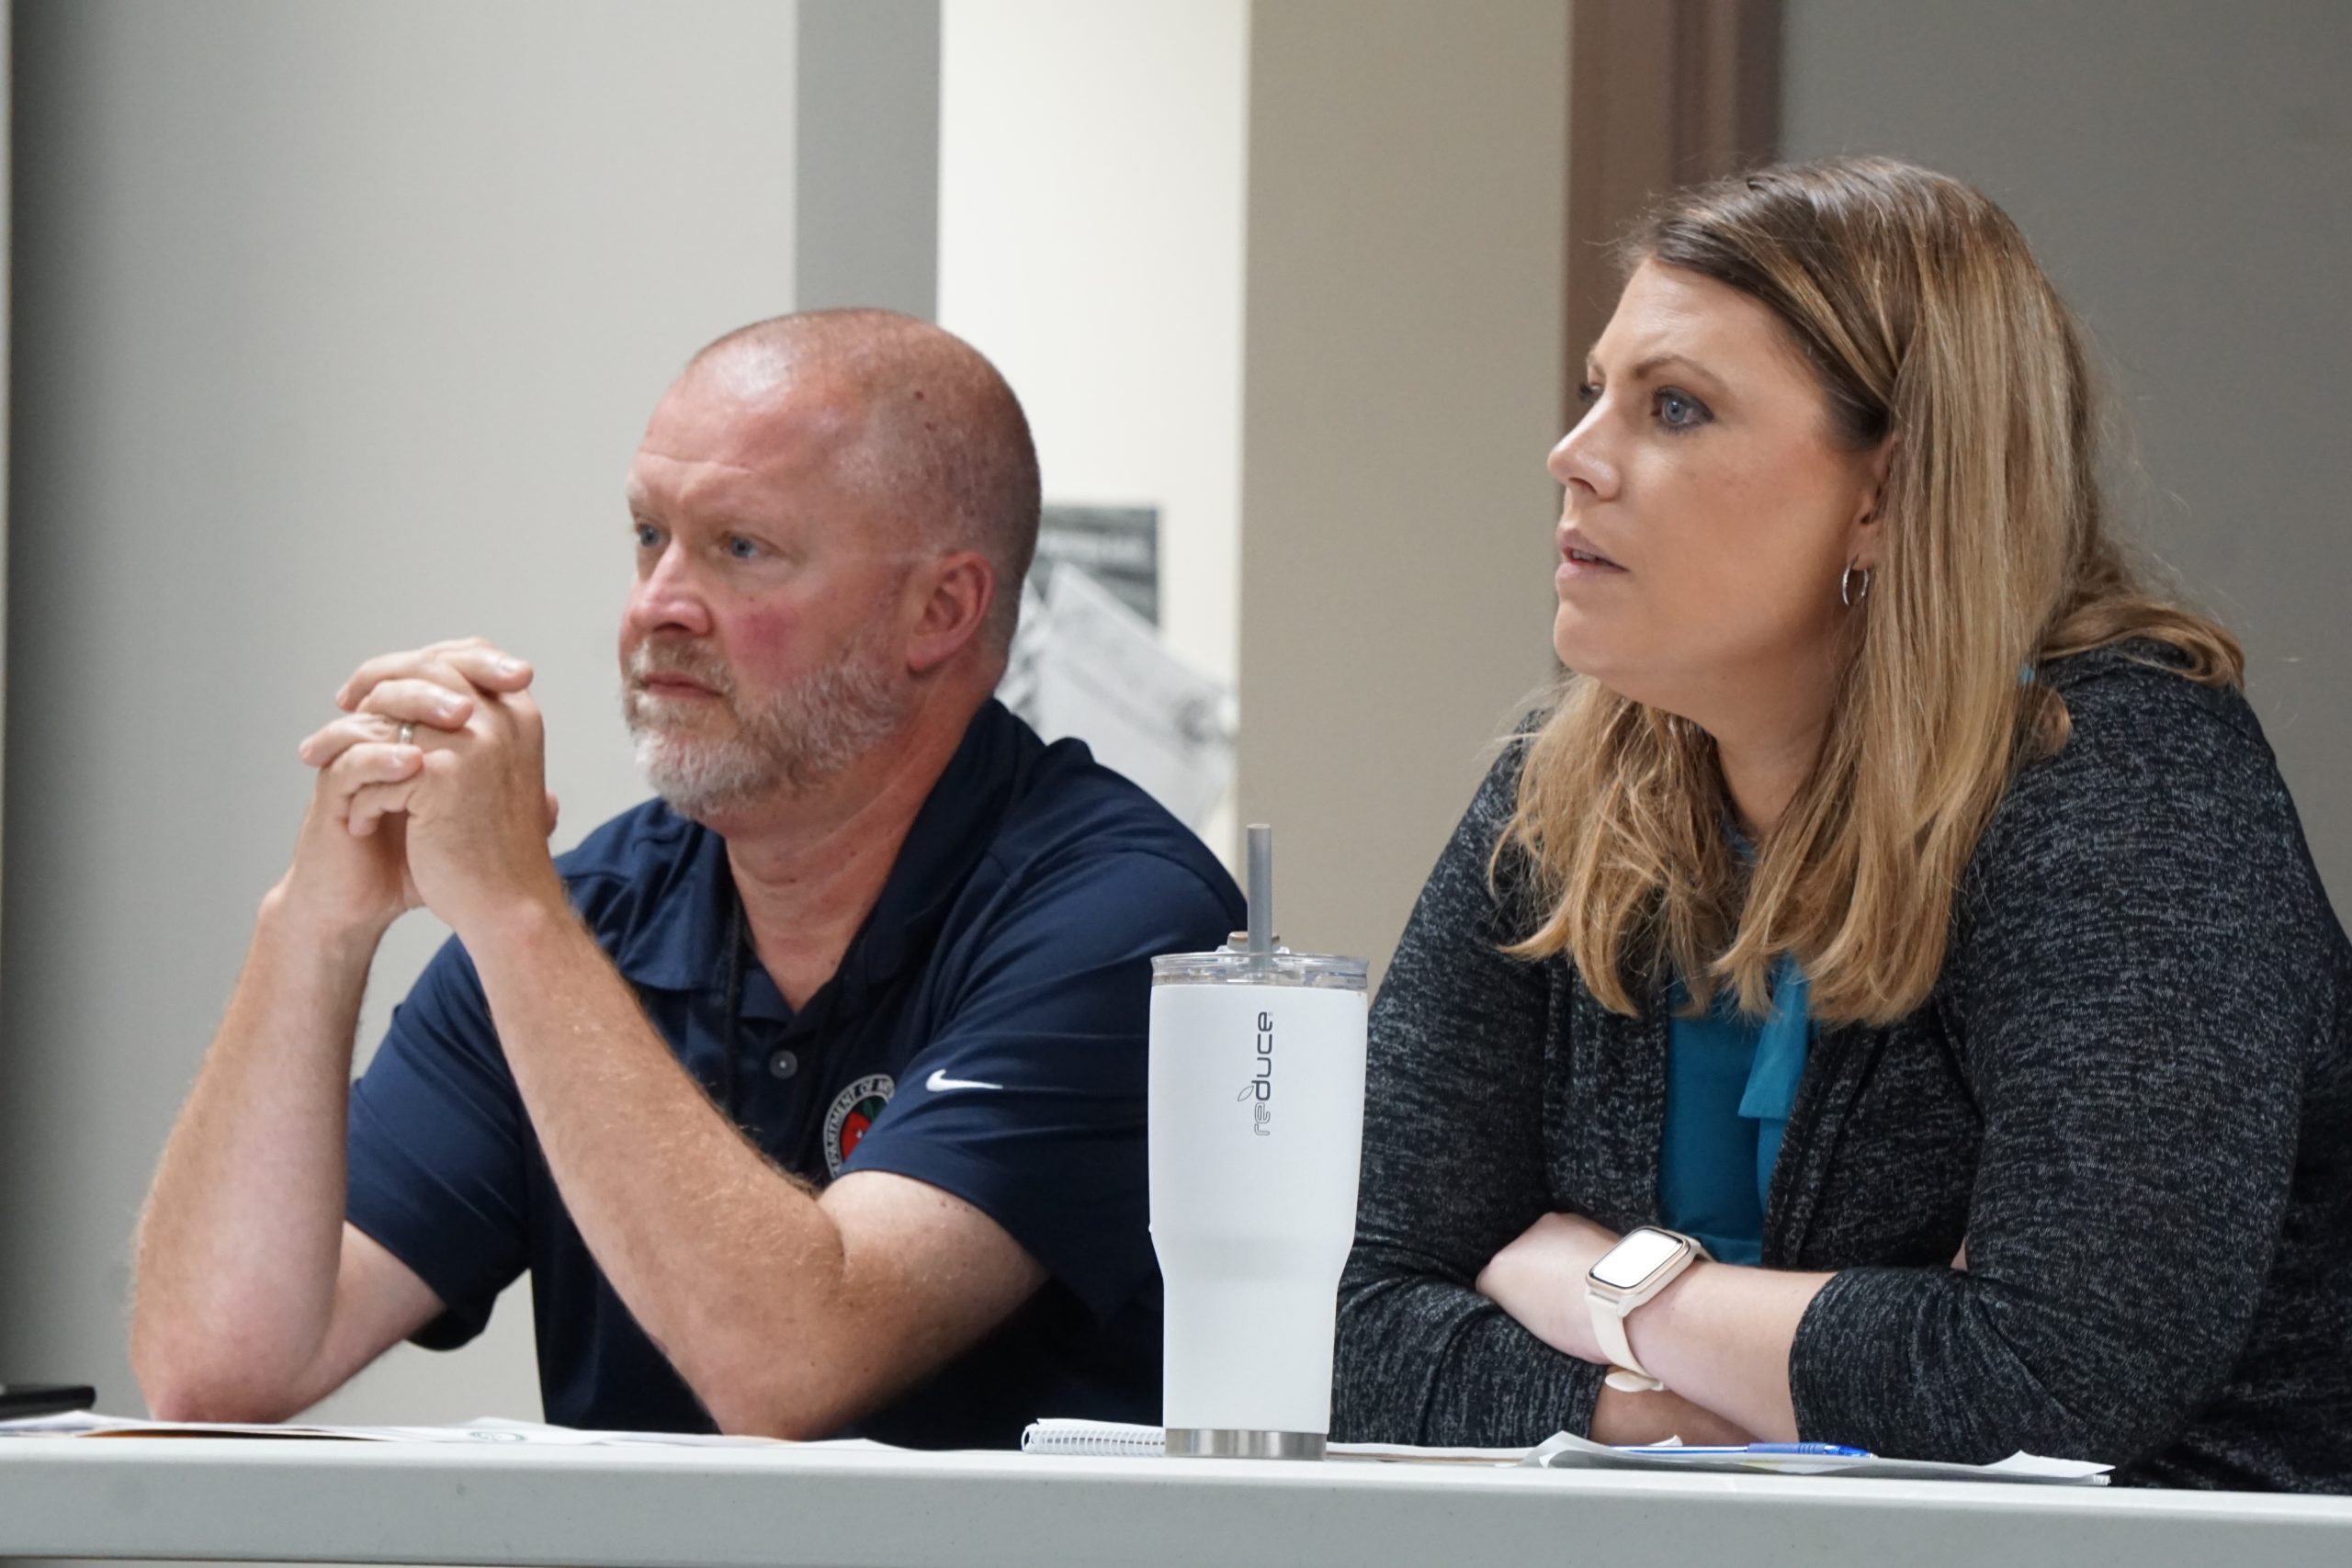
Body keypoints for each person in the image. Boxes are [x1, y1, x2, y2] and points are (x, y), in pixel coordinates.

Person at [1333, 159, 2352, 1490]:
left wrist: (1603, 1286)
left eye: (1676, 408)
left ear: (1882, 494)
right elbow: (1346, 1310)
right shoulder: (1564, 789)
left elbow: (2052, 1375)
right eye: (1599, 390)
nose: (1574, 456)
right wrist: (1673, 1419)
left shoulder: (2121, 788)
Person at [130, 309, 1243, 1448]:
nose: (656, 604)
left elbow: (797, 1368)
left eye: (739, 548)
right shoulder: (592, 916)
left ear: (939, 611)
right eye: (648, 536)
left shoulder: (1126, 920)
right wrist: (314, 924)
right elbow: (217, 1370)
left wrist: (517, 920)